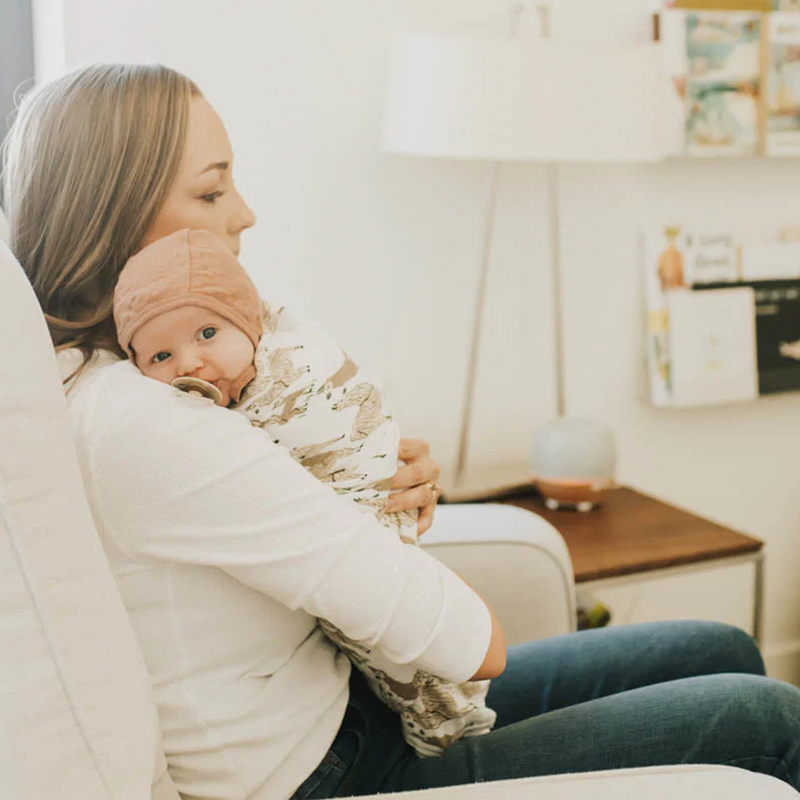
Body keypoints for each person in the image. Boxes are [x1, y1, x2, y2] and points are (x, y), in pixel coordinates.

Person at [4, 62, 800, 800]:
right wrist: (357, 511)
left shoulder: (126, 377)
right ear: (115, 216)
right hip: (329, 774)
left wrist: (344, 480)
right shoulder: (145, 423)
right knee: (769, 722)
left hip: (344, 706)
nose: (245, 213)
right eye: (212, 194)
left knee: (716, 646)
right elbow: (469, 641)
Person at [111, 226, 496, 757]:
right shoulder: (163, 425)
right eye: (160, 358)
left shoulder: (285, 367)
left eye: (205, 335)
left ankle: (447, 717)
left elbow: (341, 419)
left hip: (363, 673)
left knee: (655, 658)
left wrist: (376, 458)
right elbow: (482, 649)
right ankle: (443, 722)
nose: (190, 365)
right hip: (344, 743)